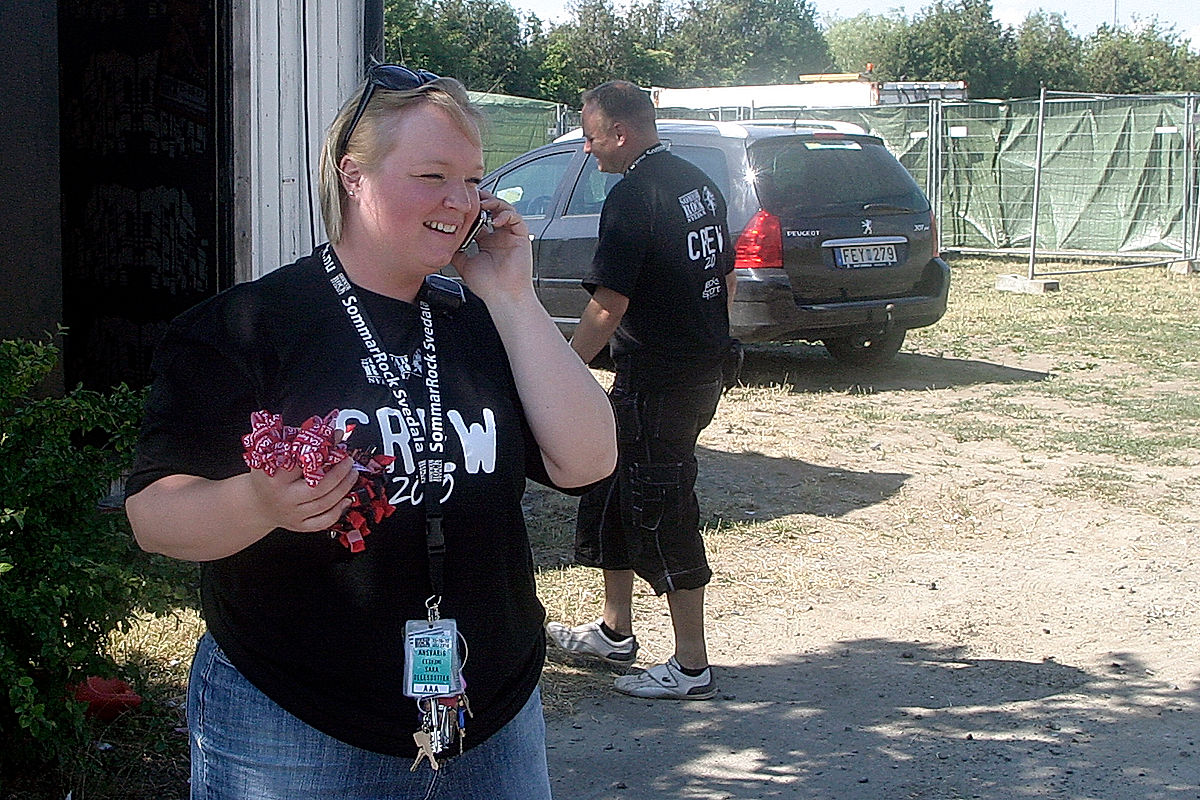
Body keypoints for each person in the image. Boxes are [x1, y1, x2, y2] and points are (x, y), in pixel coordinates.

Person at [124, 65, 616, 800]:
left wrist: (513, 295)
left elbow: (587, 460)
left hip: (488, 719)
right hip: (295, 724)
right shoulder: (245, 326)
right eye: (431, 175)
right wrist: (259, 506)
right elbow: (153, 517)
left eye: (473, 179)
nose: (461, 200)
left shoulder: (480, 320)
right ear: (352, 177)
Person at [545, 80, 736, 700]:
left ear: (620, 134)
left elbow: (608, 303)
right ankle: (615, 631)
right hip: (694, 370)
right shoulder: (698, 183)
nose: (586, 149)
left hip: (661, 381)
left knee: (663, 504)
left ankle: (690, 666)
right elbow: (725, 278)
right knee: (612, 489)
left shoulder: (633, 195)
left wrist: (565, 371)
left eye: (591, 136)